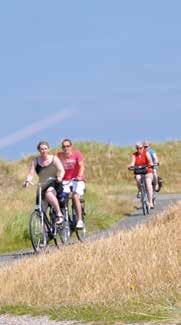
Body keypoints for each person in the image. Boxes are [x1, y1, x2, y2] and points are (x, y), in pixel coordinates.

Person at [23, 140, 65, 224]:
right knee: (42, 209)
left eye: (45, 148)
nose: (43, 151)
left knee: (49, 193)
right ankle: (45, 230)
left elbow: (61, 170)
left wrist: (60, 177)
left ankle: (59, 214)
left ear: (48, 149)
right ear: (38, 150)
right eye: (41, 149)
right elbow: (31, 174)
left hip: (54, 182)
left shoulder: (54, 159)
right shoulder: (35, 161)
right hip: (42, 185)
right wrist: (27, 181)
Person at [57, 138, 85, 229]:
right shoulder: (59, 155)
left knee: (75, 196)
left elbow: (81, 166)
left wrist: (79, 176)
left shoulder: (77, 154)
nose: (66, 148)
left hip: (77, 180)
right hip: (65, 181)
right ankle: (63, 218)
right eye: (64, 146)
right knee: (62, 197)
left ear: (71, 146)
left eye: (68, 146)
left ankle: (80, 220)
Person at [128, 142, 154, 209]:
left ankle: (150, 202)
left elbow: (150, 161)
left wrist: (151, 164)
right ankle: (140, 190)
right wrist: (131, 166)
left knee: (148, 184)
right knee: (137, 178)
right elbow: (133, 162)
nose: (139, 149)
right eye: (137, 148)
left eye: (140, 148)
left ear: (143, 148)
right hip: (139, 171)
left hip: (147, 170)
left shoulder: (146, 153)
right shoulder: (134, 155)